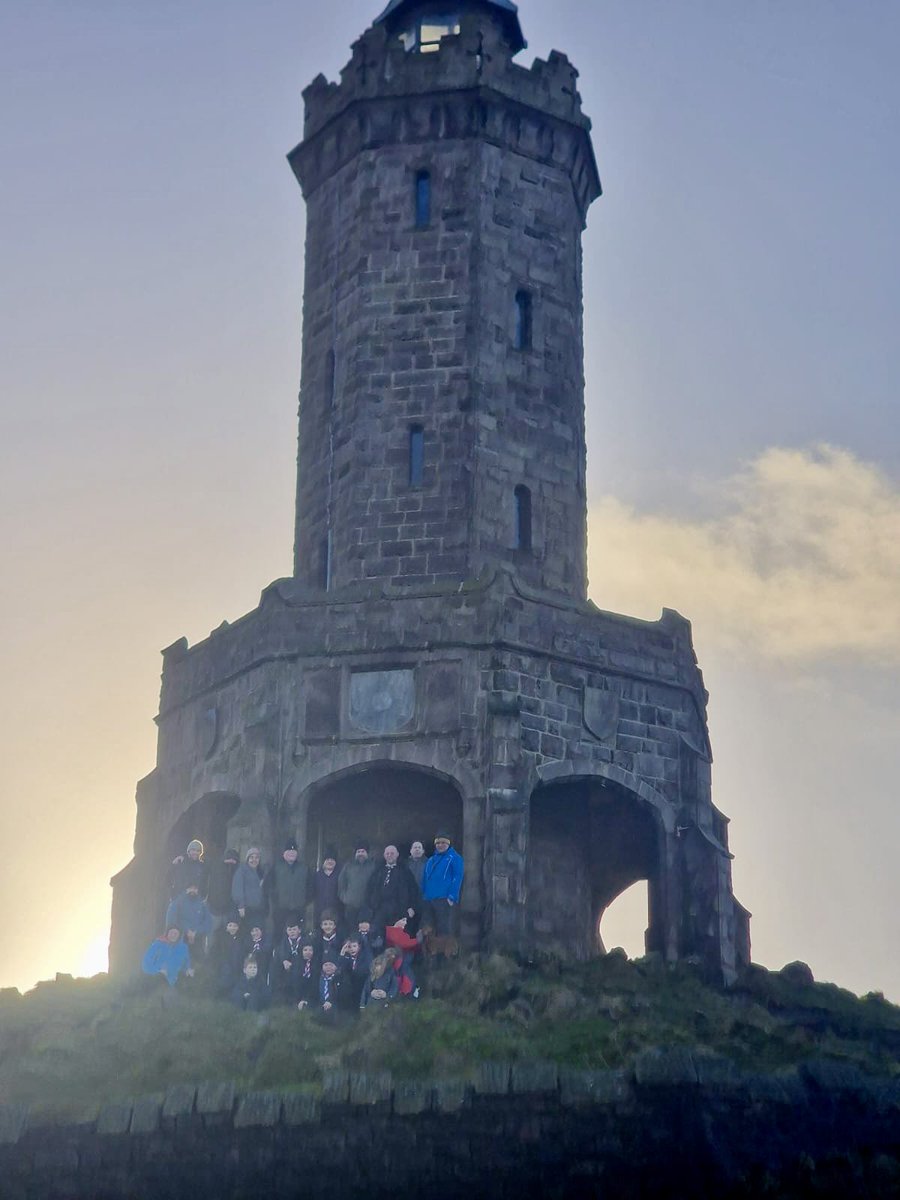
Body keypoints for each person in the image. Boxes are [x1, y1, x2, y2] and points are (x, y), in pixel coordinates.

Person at [365, 845, 418, 936]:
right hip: (380, 908)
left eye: (392, 853)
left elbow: (413, 890)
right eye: (387, 853)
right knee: (378, 935)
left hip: (399, 908)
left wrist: (411, 907)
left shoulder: (405, 871)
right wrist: (370, 906)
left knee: (396, 935)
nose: (390, 855)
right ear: (384, 855)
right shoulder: (378, 871)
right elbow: (369, 889)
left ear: (397, 855)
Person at [422, 832, 464, 936]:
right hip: (429, 898)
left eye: (443, 843)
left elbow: (457, 877)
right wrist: (423, 894)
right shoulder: (431, 860)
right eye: (438, 843)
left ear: (448, 844)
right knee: (428, 928)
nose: (440, 845)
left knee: (444, 928)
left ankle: (444, 951)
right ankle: (431, 951)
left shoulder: (454, 858)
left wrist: (452, 896)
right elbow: (424, 878)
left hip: (444, 898)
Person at [266, 840, 308, 938]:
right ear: (284, 853)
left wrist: (304, 901)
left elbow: (310, 887)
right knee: (279, 935)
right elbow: (268, 886)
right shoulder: (276, 867)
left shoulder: (304, 868)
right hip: (280, 910)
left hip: (298, 909)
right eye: (289, 850)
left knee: (298, 935)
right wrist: (276, 899)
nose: (291, 853)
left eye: (294, 851)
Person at [164, 882, 214, 954]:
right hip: (182, 934)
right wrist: (187, 930)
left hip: (198, 936)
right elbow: (174, 919)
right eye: (190, 888)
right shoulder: (179, 901)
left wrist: (196, 931)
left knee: (200, 957)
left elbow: (209, 923)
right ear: (186, 889)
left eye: (195, 888)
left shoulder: (203, 903)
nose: (192, 890)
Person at [337, 842, 375, 931]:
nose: (360, 854)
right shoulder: (348, 866)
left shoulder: (373, 866)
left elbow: (377, 885)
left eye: (363, 851)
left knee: (364, 931)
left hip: (367, 906)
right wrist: (345, 898)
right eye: (358, 851)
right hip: (351, 906)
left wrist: (373, 901)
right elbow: (341, 883)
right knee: (351, 930)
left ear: (367, 853)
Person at [272, 917, 305, 1006]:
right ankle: (284, 998)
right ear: (286, 931)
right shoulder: (283, 943)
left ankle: (299, 999)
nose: (292, 932)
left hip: (301, 969)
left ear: (300, 930)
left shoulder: (304, 941)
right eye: (289, 930)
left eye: (294, 929)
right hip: (286, 971)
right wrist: (284, 960)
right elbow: (279, 955)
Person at [210, 914, 244, 997]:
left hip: (236, 965)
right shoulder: (220, 938)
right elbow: (214, 952)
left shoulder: (240, 939)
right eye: (230, 925)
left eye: (235, 925)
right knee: (224, 977)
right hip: (223, 965)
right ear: (226, 927)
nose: (233, 928)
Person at [231, 847, 266, 929]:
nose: (254, 860)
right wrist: (241, 905)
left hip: (258, 909)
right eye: (251, 857)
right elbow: (237, 889)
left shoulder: (261, 872)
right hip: (246, 909)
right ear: (247, 859)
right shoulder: (242, 870)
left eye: (256, 857)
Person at [385, 918, 421, 998]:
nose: (405, 923)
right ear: (396, 920)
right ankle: (409, 990)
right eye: (403, 920)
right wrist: (418, 940)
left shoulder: (398, 931)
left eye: (406, 921)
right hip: (398, 959)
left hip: (401, 957)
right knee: (405, 972)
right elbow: (405, 943)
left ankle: (408, 990)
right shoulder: (393, 931)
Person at [207, 848, 240, 925]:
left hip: (229, 909)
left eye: (233, 859)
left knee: (226, 933)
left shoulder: (237, 870)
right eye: (229, 858)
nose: (231, 861)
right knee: (213, 932)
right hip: (214, 907)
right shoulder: (216, 866)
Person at [338, 935, 371, 1010]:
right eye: (349, 947)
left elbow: (361, 973)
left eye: (354, 946)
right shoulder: (346, 958)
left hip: (362, 988)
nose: (352, 949)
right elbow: (340, 970)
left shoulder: (365, 957)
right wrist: (342, 953)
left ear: (359, 947)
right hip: (349, 992)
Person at [313, 848, 341, 926]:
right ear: (324, 861)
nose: (330, 861)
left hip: (337, 910)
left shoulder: (341, 875)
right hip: (320, 910)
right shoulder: (317, 875)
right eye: (327, 859)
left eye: (332, 859)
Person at [295, 941, 318, 1010]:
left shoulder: (316, 964)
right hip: (298, 992)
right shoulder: (297, 963)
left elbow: (315, 983)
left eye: (310, 950)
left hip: (312, 993)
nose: (308, 952)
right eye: (305, 950)